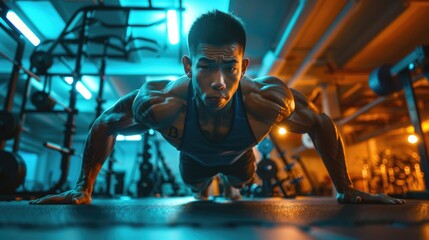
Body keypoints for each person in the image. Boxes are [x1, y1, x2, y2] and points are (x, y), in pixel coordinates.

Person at [30, 10, 404, 205]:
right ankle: (208, 189)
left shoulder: (266, 100)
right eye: (207, 66)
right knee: (199, 194)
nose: (219, 81)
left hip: (242, 158)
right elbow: (106, 122)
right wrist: (83, 188)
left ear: (244, 65)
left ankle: (233, 188)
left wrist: (345, 188)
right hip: (192, 160)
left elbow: (320, 123)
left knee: (238, 185)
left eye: (230, 66)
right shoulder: (161, 103)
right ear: (189, 66)